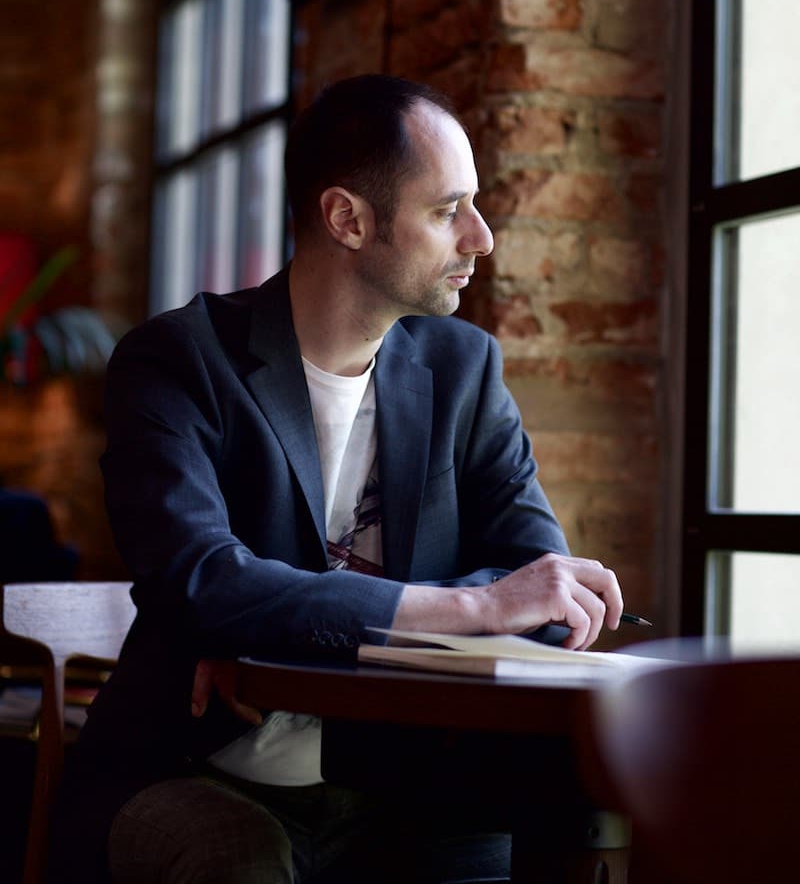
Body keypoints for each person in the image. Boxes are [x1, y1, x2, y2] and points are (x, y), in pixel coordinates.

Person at [49, 75, 624, 883]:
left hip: (400, 777)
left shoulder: (465, 371)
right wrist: (470, 607)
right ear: (347, 219)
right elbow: (201, 580)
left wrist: (284, 640)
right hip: (192, 765)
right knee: (236, 857)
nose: (482, 238)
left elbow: (546, 595)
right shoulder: (177, 361)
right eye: (446, 210)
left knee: (538, 825)